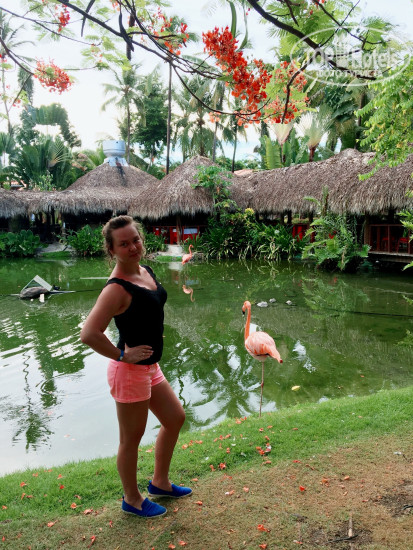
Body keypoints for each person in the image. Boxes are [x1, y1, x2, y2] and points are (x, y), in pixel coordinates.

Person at [80, 215, 192, 518]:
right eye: (124, 244)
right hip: (129, 372)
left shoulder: (145, 270)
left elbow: (148, 310)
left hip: (150, 368)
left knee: (175, 418)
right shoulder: (116, 289)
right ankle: (132, 499)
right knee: (131, 439)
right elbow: (88, 334)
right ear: (111, 250)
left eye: (136, 240)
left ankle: (160, 483)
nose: (133, 247)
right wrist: (122, 355)